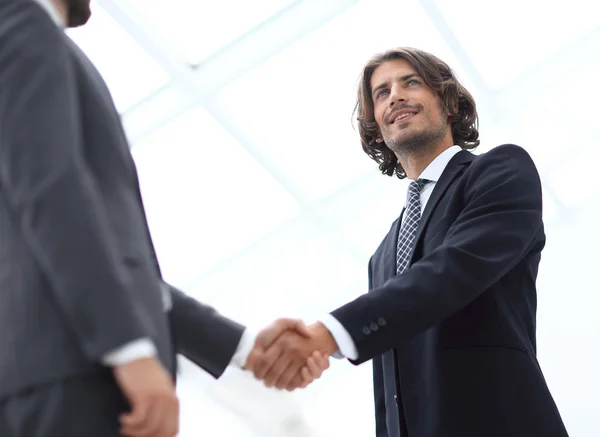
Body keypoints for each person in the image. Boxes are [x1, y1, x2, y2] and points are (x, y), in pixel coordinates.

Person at [0, 1, 328, 436]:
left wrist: (243, 347)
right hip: (76, 369)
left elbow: (94, 249)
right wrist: (127, 350)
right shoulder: (23, 19)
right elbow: (53, 193)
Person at [247, 47, 570, 437]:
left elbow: (453, 270)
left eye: (411, 83)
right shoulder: (382, 254)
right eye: (382, 93)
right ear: (377, 126)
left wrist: (330, 333)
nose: (395, 95)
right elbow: (390, 385)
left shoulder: (500, 171)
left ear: (449, 103)